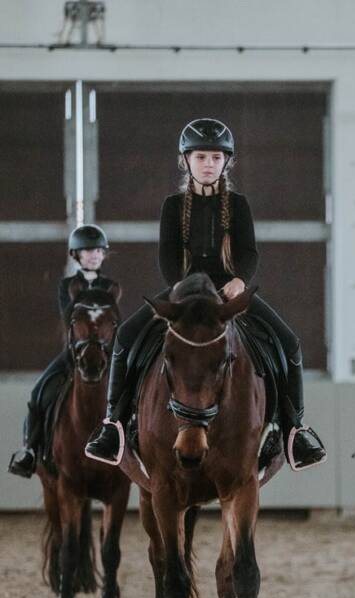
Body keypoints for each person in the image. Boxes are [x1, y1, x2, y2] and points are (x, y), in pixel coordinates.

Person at [83, 118, 326, 471]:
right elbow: (167, 258)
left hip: (229, 294)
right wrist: (185, 290)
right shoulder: (172, 206)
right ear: (186, 161)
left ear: (227, 162)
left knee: (289, 344)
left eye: (216, 157)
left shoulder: (239, 205)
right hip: (184, 294)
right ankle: (114, 425)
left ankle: (293, 429)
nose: (209, 164)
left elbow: (249, 253)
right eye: (201, 157)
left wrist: (240, 280)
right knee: (125, 338)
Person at [8, 224, 118, 477]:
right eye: (87, 251)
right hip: (74, 355)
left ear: (104, 254)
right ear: (76, 255)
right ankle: (30, 450)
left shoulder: (112, 287)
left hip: (105, 355)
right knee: (39, 392)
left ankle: (135, 446)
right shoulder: (66, 285)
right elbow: (68, 316)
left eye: (98, 251)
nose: (93, 255)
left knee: (132, 393)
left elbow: (116, 322)